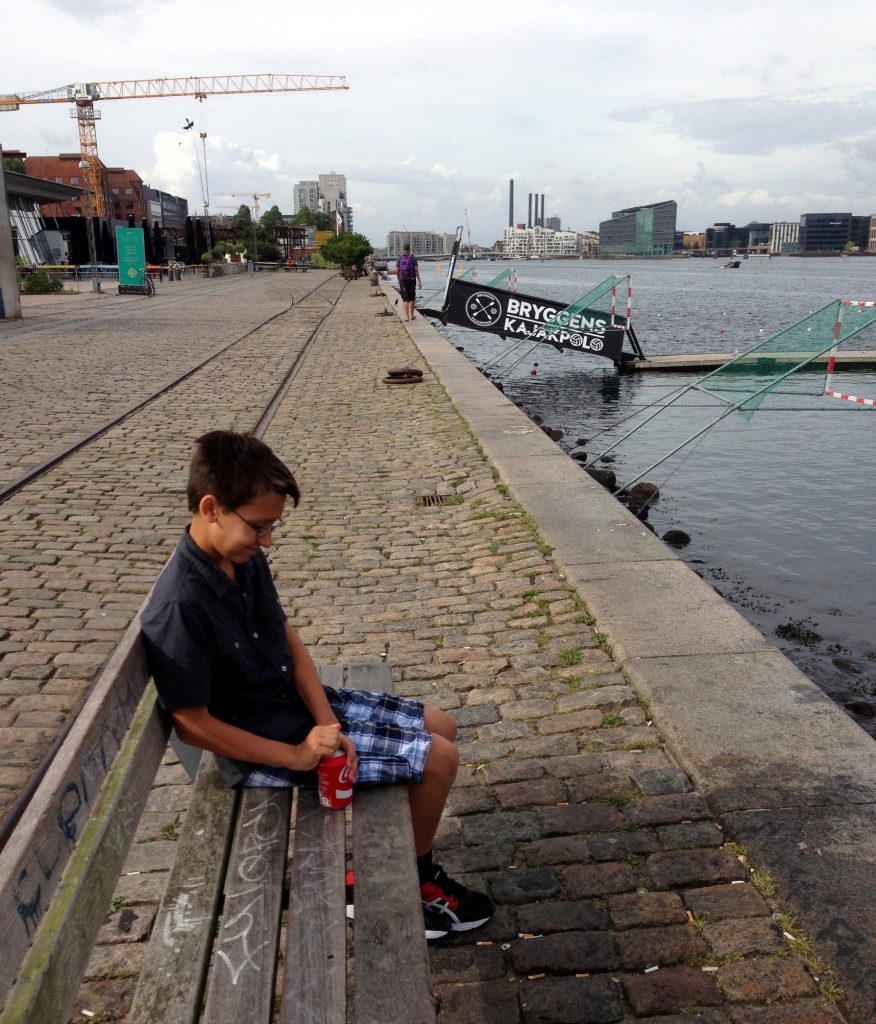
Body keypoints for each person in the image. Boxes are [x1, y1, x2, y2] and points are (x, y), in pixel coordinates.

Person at [140, 430, 494, 940]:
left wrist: (327, 722)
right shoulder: (179, 607)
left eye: (271, 530)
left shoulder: (243, 560)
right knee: (441, 759)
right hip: (267, 748)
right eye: (259, 528)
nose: (266, 542)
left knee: (444, 725)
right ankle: (399, 885)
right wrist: (299, 755)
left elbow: (288, 639)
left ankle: (405, 861)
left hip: (301, 714)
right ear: (212, 507)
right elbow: (192, 726)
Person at [395, 243, 422, 322]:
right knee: (412, 298)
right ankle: (412, 316)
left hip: (403, 280)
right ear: (409, 249)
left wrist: (399, 280)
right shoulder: (413, 258)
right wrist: (419, 281)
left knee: (405, 299)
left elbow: (397, 271)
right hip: (412, 280)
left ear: (403, 249)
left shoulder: (399, 258)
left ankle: (406, 317)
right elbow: (416, 270)